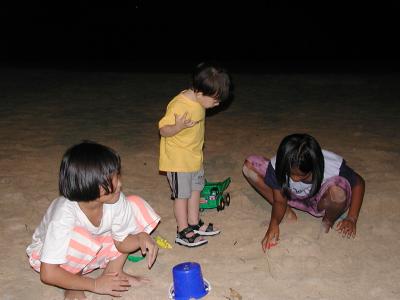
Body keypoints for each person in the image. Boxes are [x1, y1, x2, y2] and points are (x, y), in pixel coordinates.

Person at [26, 141, 161, 299]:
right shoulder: (64, 215)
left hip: (92, 248)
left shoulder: (116, 200)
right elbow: (48, 273)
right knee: (80, 236)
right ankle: (74, 283)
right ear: (89, 185)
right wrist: (95, 285)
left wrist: (139, 237)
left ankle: (114, 273)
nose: (120, 183)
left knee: (134, 205)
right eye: (113, 178)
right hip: (53, 259)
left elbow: (121, 242)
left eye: (118, 175)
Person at [242, 133, 365, 252]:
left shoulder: (331, 165)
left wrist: (352, 218)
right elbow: (279, 200)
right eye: (289, 173)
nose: (293, 178)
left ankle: (327, 222)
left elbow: (358, 182)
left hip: (320, 201)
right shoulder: (280, 163)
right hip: (289, 196)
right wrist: (274, 223)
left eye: (300, 175)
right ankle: (286, 213)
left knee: (338, 191)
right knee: (250, 165)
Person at [158, 62, 232, 247]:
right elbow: (162, 130)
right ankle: (182, 231)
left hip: (194, 158)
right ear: (200, 92)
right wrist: (177, 127)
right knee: (181, 196)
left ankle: (193, 222)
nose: (217, 104)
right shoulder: (179, 104)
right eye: (215, 100)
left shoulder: (199, 101)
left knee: (196, 190)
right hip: (178, 161)